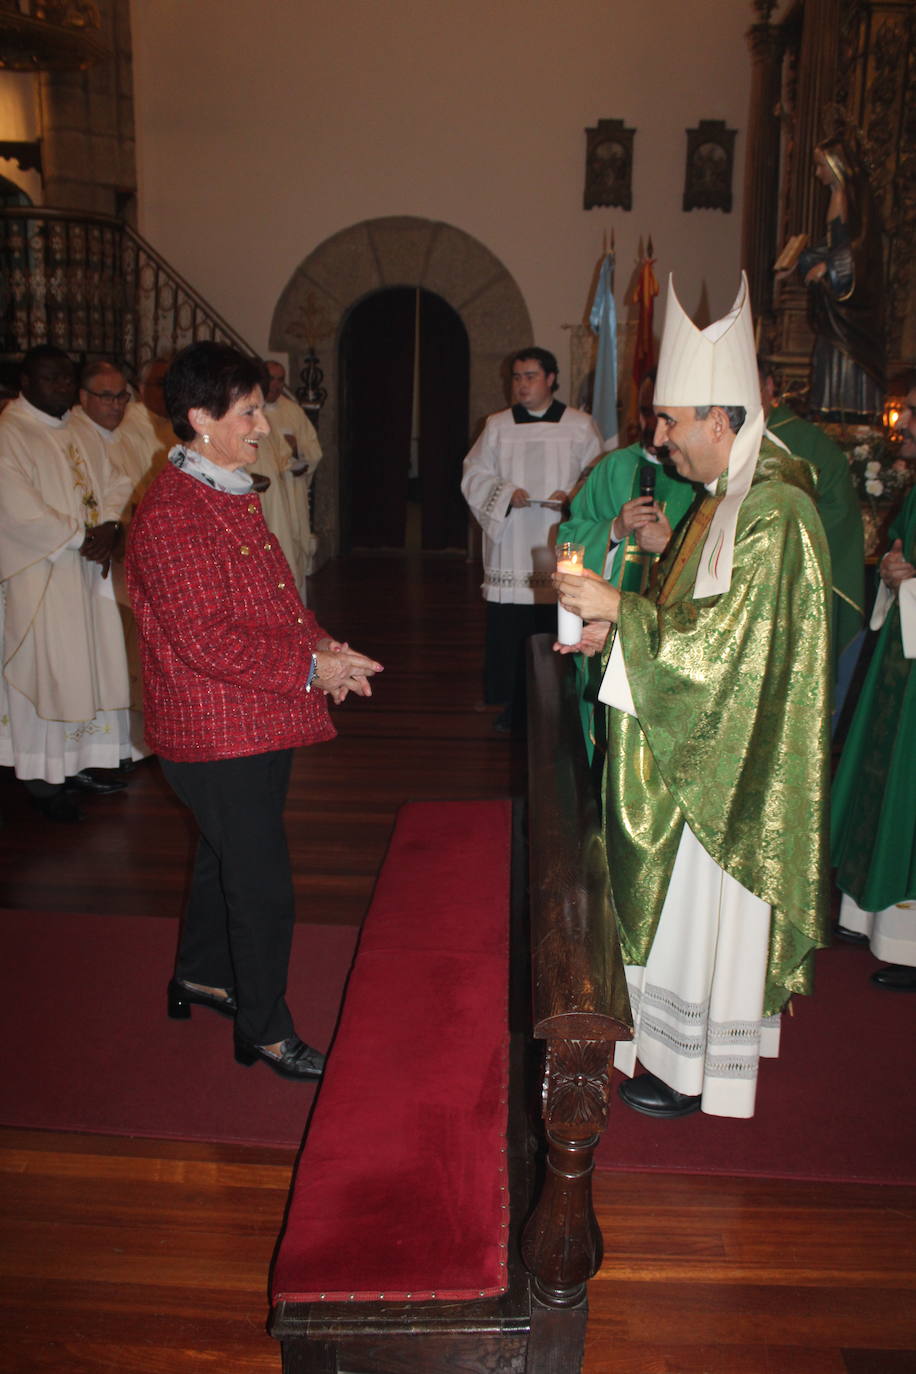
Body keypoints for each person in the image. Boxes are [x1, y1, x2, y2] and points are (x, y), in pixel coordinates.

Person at [555, 274, 831, 1119]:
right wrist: (621, 637)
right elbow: (694, 622)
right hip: (700, 735)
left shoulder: (775, 513)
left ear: (721, 421)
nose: (660, 438)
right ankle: (675, 1049)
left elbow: (738, 655)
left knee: (700, 909)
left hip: (731, 765)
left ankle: (689, 1064)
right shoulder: (725, 502)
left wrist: (620, 613)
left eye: (671, 422)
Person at [126, 341, 383, 1079]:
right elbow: (206, 640)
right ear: (201, 418)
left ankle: (202, 975)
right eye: (248, 411)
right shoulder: (177, 513)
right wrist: (310, 667)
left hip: (247, 716)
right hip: (213, 730)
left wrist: (326, 650)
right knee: (261, 882)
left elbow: (272, 600)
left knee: (224, 854)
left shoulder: (223, 487)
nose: (264, 425)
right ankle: (265, 1029)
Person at [0, 345, 134, 821]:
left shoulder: (76, 429)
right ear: (26, 382)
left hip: (83, 568)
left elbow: (116, 480)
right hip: (41, 575)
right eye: (50, 379)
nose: (60, 387)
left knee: (85, 668)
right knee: (49, 671)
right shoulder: (10, 433)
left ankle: (80, 765)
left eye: (65, 379)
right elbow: (17, 509)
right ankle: (42, 781)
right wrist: (83, 537)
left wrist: (111, 525)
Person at [557, 371, 697, 761]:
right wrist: (614, 530)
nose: (656, 428)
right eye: (648, 413)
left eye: (666, 417)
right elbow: (569, 535)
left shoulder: (702, 479)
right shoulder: (613, 467)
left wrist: (669, 546)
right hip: (606, 633)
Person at [462, 347, 603, 732]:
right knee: (512, 630)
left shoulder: (579, 425)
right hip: (513, 544)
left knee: (556, 625)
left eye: (530, 376)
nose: (521, 385)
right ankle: (513, 707)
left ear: (551, 379)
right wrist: (506, 492)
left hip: (562, 542)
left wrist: (574, 493)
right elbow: (473, 474)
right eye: (516, 377)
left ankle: (560, 704)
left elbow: (598, 475)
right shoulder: (497, 425)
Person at [831, 375, 916, 991]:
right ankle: (873, 913)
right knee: (885, 783)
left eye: (912, 412)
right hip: (903, 655)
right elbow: (902, 552)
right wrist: (892, 568)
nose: (902, 423)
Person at [70, 359, 168, 756]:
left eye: (120, 396)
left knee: (127, 654)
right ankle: (109, 748)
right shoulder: (76, 436)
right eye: (105, 396)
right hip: (92, 562)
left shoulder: (123, 435)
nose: (115, 405)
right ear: (84, 397)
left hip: (131, 556)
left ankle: (127, 744)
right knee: (107, 657)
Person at [759, 357, 865, 709]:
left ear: (769, 388)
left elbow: (840, 513)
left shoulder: (808, 443)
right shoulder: (725, 438)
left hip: (794, 591)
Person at [794, 135, 885, 422]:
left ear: (837, 166)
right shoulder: (837, 196)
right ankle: (831, 412)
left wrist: (829, 267)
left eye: (821, 165)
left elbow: (859, 250)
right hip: (835, 304)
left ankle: (848, 416)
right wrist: (802, 258)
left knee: (845, 354)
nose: (817, 172)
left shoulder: (852, 200)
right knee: (829, 352)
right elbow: (834, 244)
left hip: (851, 306)